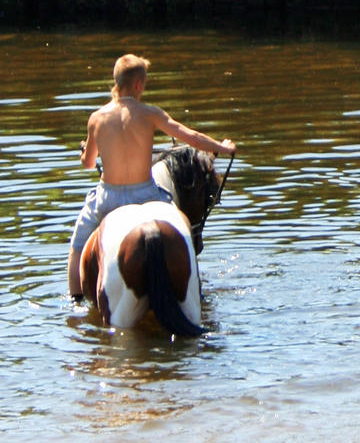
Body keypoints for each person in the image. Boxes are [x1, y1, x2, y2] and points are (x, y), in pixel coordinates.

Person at [68, 52, 236, 297]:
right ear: (138, 84)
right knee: (183, 232)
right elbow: (189, 136)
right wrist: (222, 147)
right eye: (143, 84)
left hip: (108, 199)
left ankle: (76, 300)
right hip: (146, 195)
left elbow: (88, 163)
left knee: (77, 245)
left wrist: (85, 152)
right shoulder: (150, 114)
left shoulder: (97, 119)